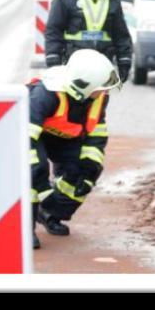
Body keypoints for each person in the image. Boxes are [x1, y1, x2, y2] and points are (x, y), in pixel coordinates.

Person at [28, 49, 122, 249]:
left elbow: (96, 131)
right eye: (101, 87)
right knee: (33, 174)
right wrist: (43, 187)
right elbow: (26, 143)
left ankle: (50, 214)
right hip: (33, 138)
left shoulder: (97, 96)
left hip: (64, 138)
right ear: (83, 87)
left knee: (84, 173)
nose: (105, 91)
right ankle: (24, 228)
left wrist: (90, 167)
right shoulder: (45, 95)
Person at [44, 0, 132, 83]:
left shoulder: (113, 0)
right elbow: (54, 30)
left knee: (99, 101)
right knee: (73, 101)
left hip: (103, 67)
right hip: (73, 66)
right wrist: (53, 57)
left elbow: (121, 34)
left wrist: (124, 61)